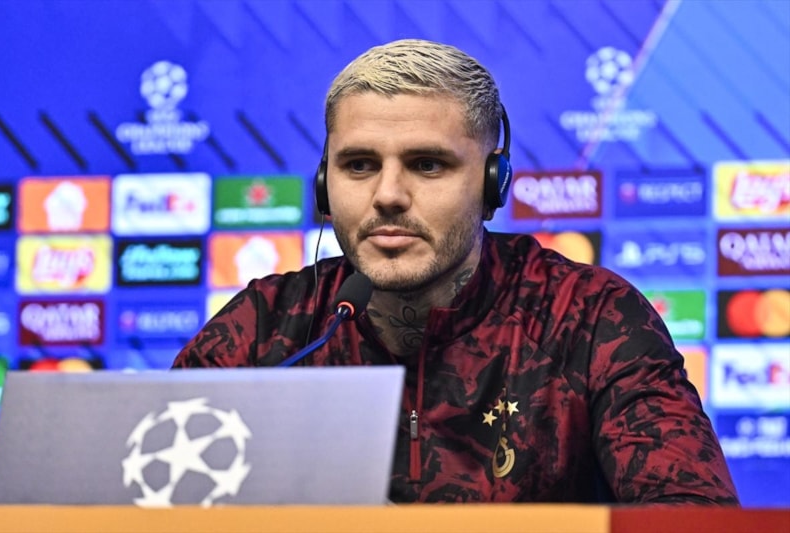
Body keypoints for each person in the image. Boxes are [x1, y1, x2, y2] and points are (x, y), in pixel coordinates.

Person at [173, 39, 739, 505]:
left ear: (492, 185)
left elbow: (694, 518)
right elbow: (149, 501)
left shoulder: (589, 318)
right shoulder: (266, 328)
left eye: (427, 164)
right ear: (325, 185)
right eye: (359, 165)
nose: (388, 195)